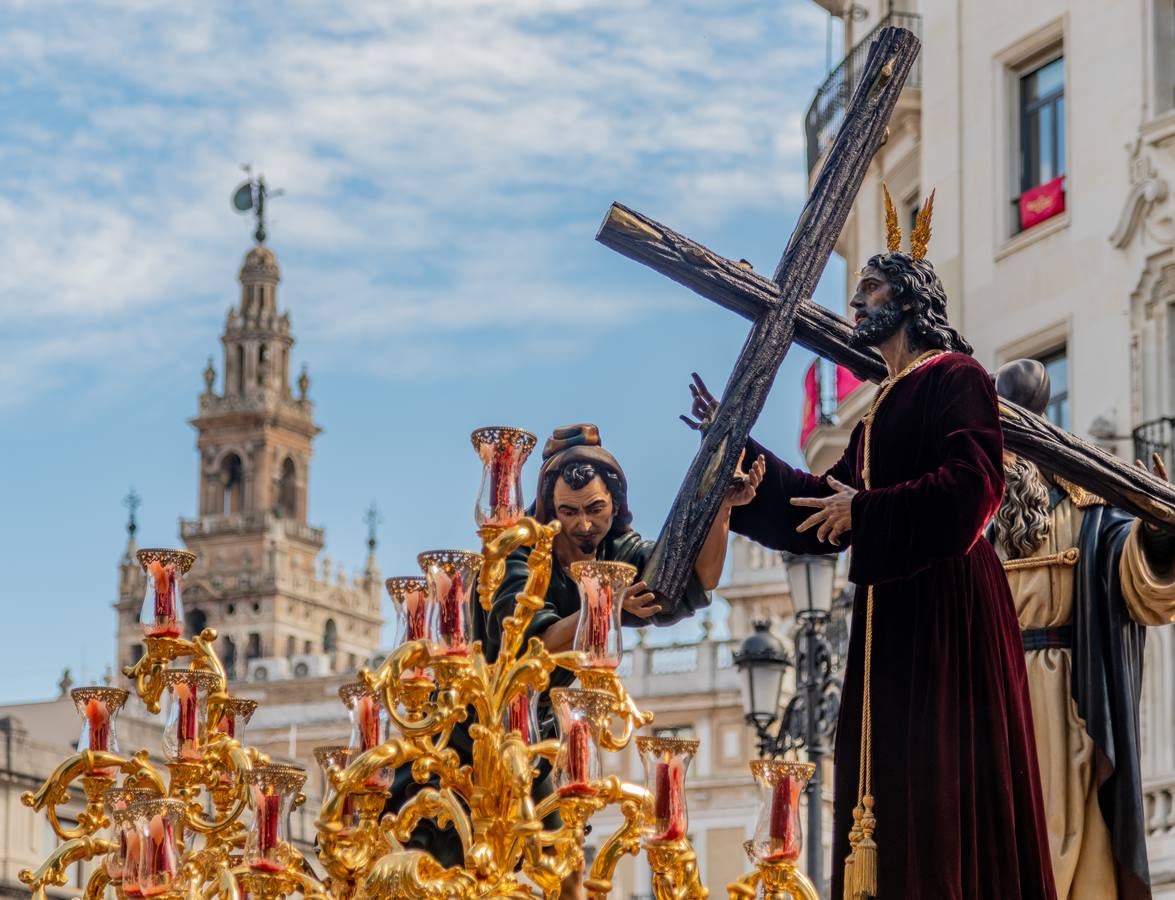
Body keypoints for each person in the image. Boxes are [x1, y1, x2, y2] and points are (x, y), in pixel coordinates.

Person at [684, 195, 1056, 899]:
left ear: (909, 301)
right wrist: (741, 461)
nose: (854, 304)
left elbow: (971, 490)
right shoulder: (882, 405)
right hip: (891, 621)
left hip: (949, 613)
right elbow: (820, 510)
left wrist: (866, 508)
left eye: (869, 291)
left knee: (945, 784)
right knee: (894, 787)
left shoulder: (957, 378)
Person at [991, 358, 1175, 900]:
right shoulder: (974, 512)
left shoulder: (1090, 509)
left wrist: (1160, 532)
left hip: (1071, 697)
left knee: (1077, 835)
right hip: (994, 695)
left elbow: (1137, 580)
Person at [478, 422, 762, 677]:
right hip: (475, 718)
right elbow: (531, 649)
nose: (585, 524)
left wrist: (722, 507)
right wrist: (606, 603)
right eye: (569, 511)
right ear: (551, 510)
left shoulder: (616, 553)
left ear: (615, 504)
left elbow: (698, 579)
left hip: (545, 717)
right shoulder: (518, 554)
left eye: (595, 508)